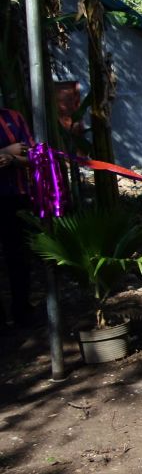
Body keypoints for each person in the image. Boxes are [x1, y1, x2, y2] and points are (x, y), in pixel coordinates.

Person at [0, 106, 38, 327]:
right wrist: (5, 151)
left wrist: (13, 159)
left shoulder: (13, 117)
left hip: (16, 195)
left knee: (19, 257)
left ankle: (22, 310)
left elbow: (33, 155)